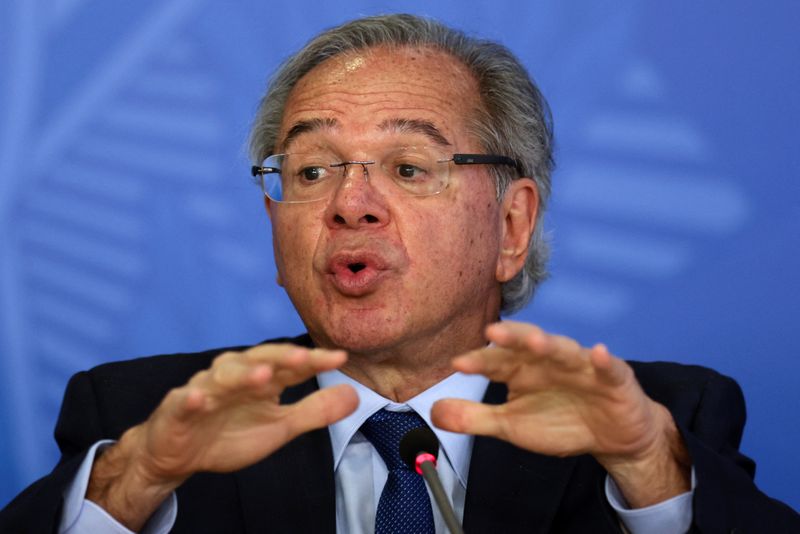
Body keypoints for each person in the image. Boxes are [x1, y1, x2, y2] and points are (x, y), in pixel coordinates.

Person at [1, 13, 798, 534]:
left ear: (512, 225)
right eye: (311, 171)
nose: (352, 204)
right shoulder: (141, 418)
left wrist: (655, 475)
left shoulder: (664, 422)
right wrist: (134, 483)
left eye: (410, 167)